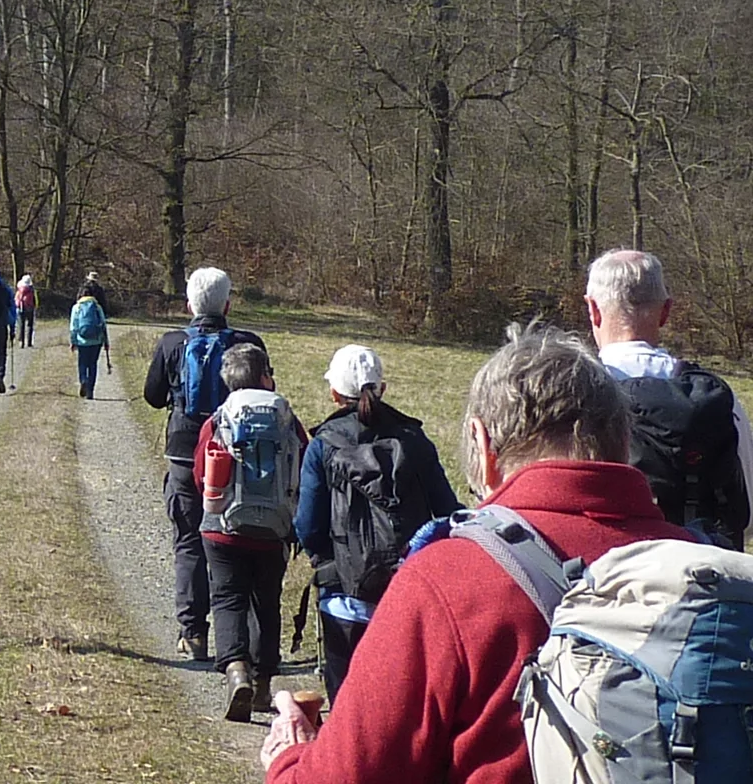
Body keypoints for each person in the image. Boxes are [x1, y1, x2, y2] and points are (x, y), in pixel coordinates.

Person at [260, 323, 689, 784]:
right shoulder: (710, 571)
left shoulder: (450, 582)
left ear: (483, 446)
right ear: (624, 445)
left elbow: (349, 775)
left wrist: (289, 757)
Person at [293, 344, 459, 702]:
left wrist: (325, 562)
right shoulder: (415, 440)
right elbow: (447, 512)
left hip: (343, 596)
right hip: (406, 595)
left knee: (347, 706)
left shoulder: (323, 445)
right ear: (382, 388)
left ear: (334, 393)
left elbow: (307, 525)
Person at [584, 248, 751, 548]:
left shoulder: (575, 395)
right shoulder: (713, 396)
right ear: (665, 311)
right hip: (703, 578)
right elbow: (747, 511)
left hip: (604, 574)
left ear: (593, 310)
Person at [143, 266, 267, 661]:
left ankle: (193, 633)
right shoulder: (248, 343)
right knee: (242, 538)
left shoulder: (172, 343)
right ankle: (244, 642)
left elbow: (152, 395)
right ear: (228, 304)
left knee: (189, 541)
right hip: (237, 452)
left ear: (189, 304)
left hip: (183, 450)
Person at [196, 343, 306, 720]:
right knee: (266, 602)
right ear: (264, 376)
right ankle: (261, 685)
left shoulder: (219, 418)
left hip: (223, 528)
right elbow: (304, 467)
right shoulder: (287, 419)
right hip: (274, 530)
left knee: (227, 599)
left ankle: (236, 670)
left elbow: (201, 474)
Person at [69, 288, 107, 399]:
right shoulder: (97, 307)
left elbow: (73, 327)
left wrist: (73, 341)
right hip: (96, 340)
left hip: (82, 340)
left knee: (82, 363)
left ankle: (83, 380)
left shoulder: (76, 307)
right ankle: (90, 391)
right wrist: (106, 342)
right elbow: (103, 324)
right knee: (93, 364)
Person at [15, 274, 37, 348]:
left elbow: (16, 299)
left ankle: (21, 342)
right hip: (30, 308)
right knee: (30, 325)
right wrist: (35, 306)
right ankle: (29, 342)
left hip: (20, 308)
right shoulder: (31, 290)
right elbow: (35, 299)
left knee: (21, 325)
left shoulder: (19, 289)